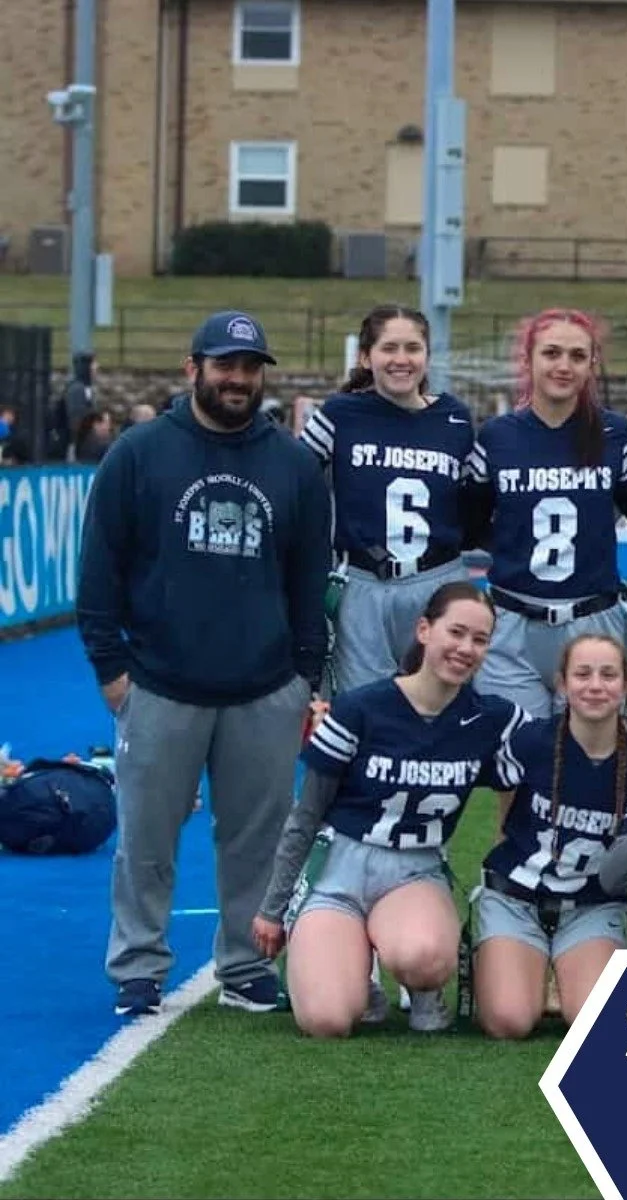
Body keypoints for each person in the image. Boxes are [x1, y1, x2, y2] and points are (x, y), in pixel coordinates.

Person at [76, 310, 330, 1018]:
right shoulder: (138, 453)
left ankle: (246, 964)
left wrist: (303, 675)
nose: (238, 379)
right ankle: (138, 966)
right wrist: (112, 673)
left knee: (255, 843)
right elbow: (99, 572)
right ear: (193, 370)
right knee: (147, 841)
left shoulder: (294, 463)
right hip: (160, 684)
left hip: (265, 688)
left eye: (250, 367)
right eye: (225, 365)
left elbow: (310, 579)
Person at [252, 581, 527, 1037]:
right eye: (455, 633)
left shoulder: (490, 718)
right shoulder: (361, 708)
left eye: (479, 640)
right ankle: (355, 972)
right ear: (424, 630)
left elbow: (565, 744)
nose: (465, 648)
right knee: (327, 1021)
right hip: (341, 866)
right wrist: (272, 908)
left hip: (414, 872)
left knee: (422, 957)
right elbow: (306, 815)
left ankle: (423, 988)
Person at [473, 633, 627, 1037]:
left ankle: (561, 967)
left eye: (609, 675)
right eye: (583, 674)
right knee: (509, 1021)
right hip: (516, 898)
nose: (595, 685)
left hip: (592, 905)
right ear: (562, 683)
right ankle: (503, 960)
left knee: (593, 1022)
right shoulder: (530, 740)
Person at [465, 308, 627, 719]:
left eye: (578, 356)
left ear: (592, 364)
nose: (564, 366)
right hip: (513, 624)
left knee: (588, 766)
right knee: (516, 765)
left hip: (593, 621)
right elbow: (471, 523)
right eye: (552, 353)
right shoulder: (497, 436)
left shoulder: (616, 434)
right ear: (528, 360)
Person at [299, 305, 476, 695]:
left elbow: (475, 503)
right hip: (364, 583)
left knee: (442, 701)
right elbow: (293, 479)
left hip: (438, 578)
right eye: (389, 347)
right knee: (363, 708)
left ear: (427, 355)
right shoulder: (340, 414)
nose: (401, 359)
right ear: (366, 356)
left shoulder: (455, 418)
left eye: (412, 347)